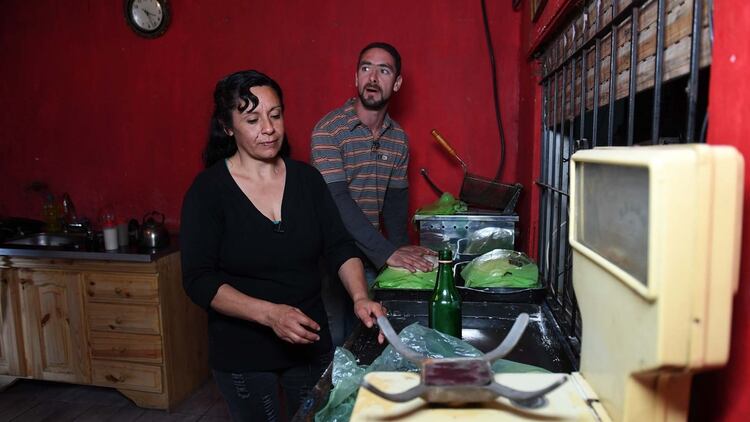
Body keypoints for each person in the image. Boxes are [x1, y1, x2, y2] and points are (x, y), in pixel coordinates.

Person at [180, 70, 385, 422]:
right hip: (242, 352)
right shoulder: (208, 191)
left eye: (275, 115)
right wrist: (271, 314)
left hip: (308, 341)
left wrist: (360, 297)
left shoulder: (307, 181)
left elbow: (339, 246)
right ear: (228, 126)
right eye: (252, 118)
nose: (269, 128)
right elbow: (199, 279)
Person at [311, 42, 435, 345]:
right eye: (366, 68)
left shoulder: (398, 140)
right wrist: (389, 252)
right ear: (356, 78)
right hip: (328, 256)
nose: (373, 78)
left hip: (369, 253)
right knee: (336, 341)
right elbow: (337, 203)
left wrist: (405, 264)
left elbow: (394, 209)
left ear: (397, 83)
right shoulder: (329, 130)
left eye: (384, 70)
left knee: (375, 337)